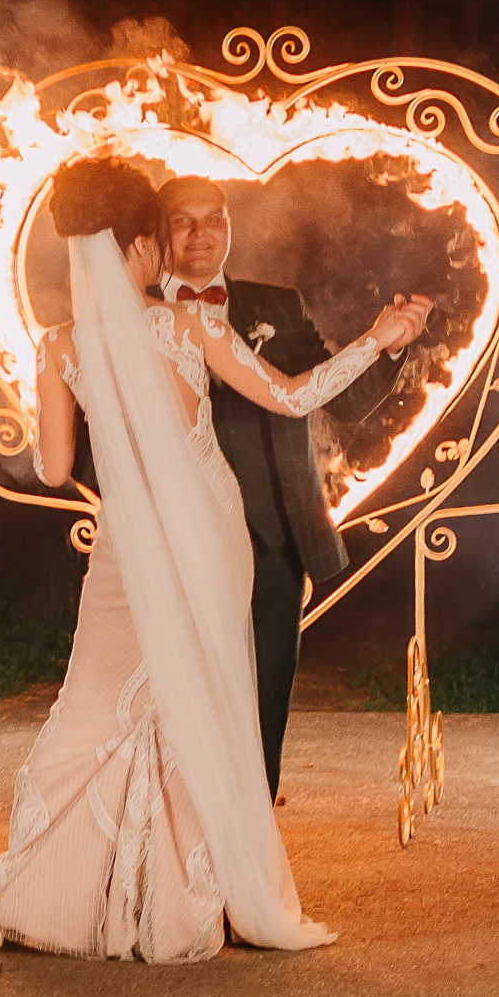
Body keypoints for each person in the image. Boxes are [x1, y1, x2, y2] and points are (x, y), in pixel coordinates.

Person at [0, 160, 433, 962]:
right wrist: (379, 338)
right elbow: (293, 397)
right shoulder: (188, 328)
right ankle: (183, 898)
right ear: (140, 244)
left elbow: (54, 470)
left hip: (127, 541)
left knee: (94, 698)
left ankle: (58, 897)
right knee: (204, 700)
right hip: (211, 532)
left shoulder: (55, 347)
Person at [158, 175, 420, 797]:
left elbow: (346, 401)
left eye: (213, 219)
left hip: (275, 551)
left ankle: (247, 870)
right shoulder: (132, 311)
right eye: (182, 221)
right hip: (176, 549)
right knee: (178, 720)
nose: (201, 234)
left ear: (230, 227)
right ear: (158, 234)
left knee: (262, 721)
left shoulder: (276, 306)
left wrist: (389, 346)